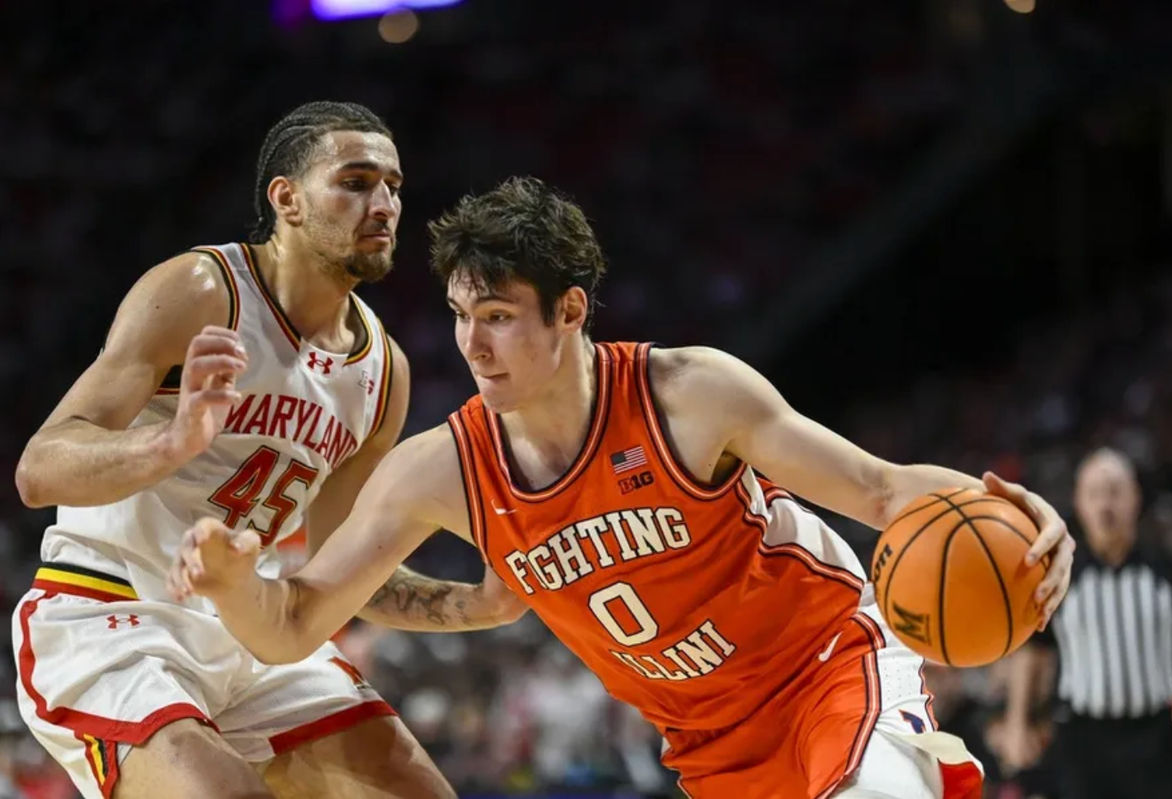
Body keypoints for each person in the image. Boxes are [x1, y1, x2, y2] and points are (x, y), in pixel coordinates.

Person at [168, 176, 1076, 799]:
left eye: (496, 317)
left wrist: (1019, 515)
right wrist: (232, 586)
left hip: (826, 671)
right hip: (710, 748)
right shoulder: (440, 470)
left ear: (570, 310)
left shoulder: (691, 394)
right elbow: (293, 624)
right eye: (458, 317)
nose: (472, 346)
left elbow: (884, 492)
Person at [11, 101, 520, 799]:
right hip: (110, 614)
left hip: (251, 624)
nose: (383, 204)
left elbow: (341, 570)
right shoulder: (200, 292)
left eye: (394, 187)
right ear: (287, 199)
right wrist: (171, 440)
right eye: (356, 181)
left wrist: (478, 603)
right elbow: (39, 469)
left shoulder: (383, 371)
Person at [998, 447, 1172, 799]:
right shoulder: (1061, 578)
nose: (1105, 504)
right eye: (1094, 493)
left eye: (1115, 491)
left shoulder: (1171, 571)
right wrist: (1017, 723)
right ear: (1079, 502)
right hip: (1082, 742)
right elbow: (1033, 653)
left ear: (1135, 498)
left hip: (1162, 739)